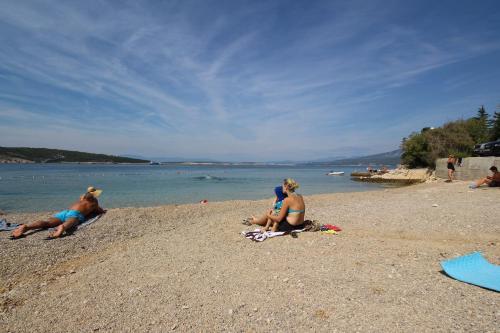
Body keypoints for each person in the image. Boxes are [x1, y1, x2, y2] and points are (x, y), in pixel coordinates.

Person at [11, 187, 105, 239]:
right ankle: (62, 227)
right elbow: (99, 210)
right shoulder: (94, 201)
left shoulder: (81, 198)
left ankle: (26, 227)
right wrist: (102, 211)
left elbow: (83, 201)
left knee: (47, 223)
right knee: (70, 222)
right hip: (75, 214)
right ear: (95, 195)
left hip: (65, 212)